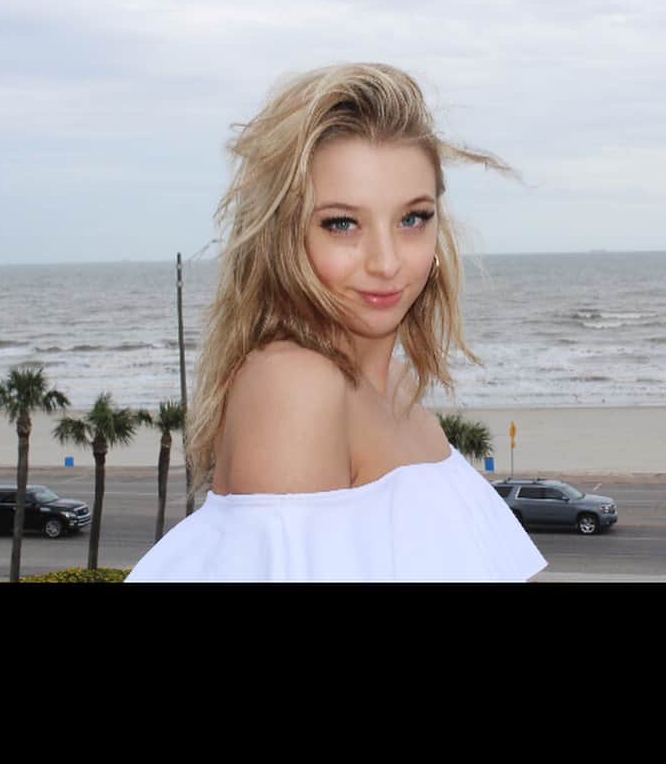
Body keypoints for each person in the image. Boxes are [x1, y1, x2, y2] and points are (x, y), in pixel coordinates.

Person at [126, 63, 547, 582]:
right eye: (342, 224)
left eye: (413, 218)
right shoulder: (295, 387)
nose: (387, 261)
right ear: (284, 236)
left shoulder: (399, 388)